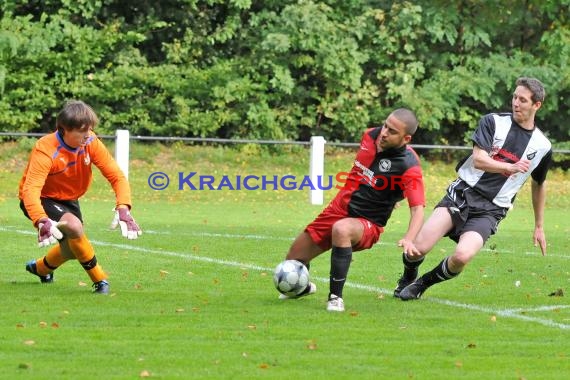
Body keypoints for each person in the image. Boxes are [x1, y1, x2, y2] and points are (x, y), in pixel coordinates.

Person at [394, 77, 552, 301]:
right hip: (462, 194)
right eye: (515, 97)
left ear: (537, 105)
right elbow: (479, 159)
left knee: (462, 256)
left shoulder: (543, 146)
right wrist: (508, 167)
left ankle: (422, 284)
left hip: (492, 209)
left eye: (523, 100)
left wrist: (539, 226)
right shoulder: (493, 122)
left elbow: (539, 183)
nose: (516, 103)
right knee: (417, 249)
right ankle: (408, 275)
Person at [280, 108, 426, 312]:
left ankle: (335, 298)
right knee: (292, 262)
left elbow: (418, 209)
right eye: (385, 125)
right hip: (337, 209)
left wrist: (409, 238)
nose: (384, 132)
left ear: (406, 138)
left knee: (342, 229)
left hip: (367, 223)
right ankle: (303, 288)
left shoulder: (409, 165)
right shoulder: (369, 136)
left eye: (392, 131)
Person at [19, 100, 142, 294]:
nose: (87, 135)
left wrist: (124, 206)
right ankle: (100, 280)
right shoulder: (45, 148)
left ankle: (40, 269)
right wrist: (41, 219)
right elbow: (31, 190)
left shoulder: (91, 141)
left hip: (69, 199)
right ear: (64, 129)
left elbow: (116, 176)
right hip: (42, 198)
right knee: (75, 228)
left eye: (90, 129)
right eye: (81, 131)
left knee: (71, 249)